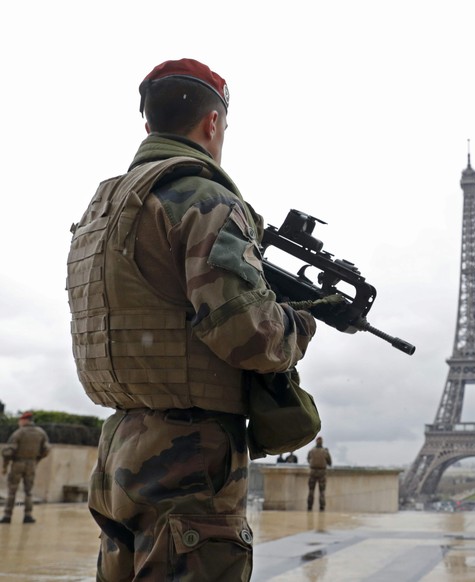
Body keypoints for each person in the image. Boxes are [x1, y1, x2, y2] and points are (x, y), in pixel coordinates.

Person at [66, 58, 318, 580]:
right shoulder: (204, 197)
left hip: (121, 443)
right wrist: (301, 321)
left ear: (147, 124)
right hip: (190, 455)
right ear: (211, 123)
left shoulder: (104, 208)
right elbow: (249, 336)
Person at [1, 412, 50, 524]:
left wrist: (5, 466)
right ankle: (28, 515)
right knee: (28, 491)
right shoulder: (41, 433)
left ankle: (7, 515)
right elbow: (46, 449)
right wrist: (37, 459)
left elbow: (9, 451)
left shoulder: (19, 433)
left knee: (12, 491)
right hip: (31, 464)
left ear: (24, 420)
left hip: (18, 463)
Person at [306, 436, 331, 511]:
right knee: (322, 491)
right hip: (322, 473)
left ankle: (309, 506)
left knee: (311, 490)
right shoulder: (325, 451)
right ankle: (322, 507)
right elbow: (329, 462)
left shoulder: (311, 451)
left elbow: (308, 459)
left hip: (313, 472)